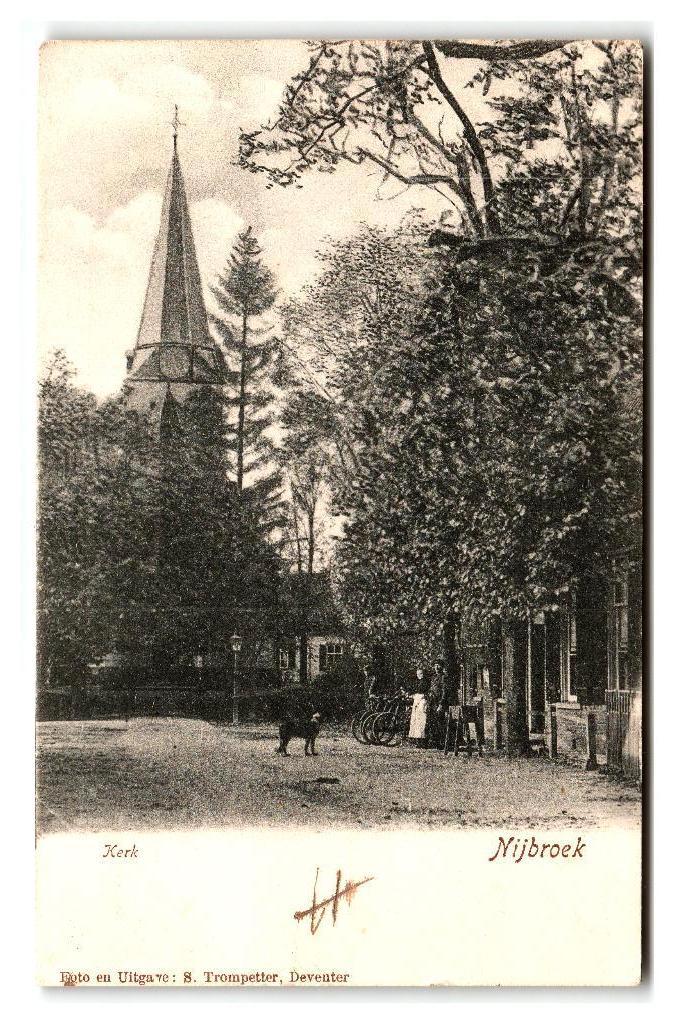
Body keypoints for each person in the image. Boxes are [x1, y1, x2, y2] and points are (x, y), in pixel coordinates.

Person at [428, 660, 449, 749]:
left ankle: (442, 743)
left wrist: (441, 704)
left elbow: (444, 692)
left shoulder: (444, 677)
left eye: (438, 665)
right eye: (435, 665)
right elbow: (431, 689)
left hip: (440, 703)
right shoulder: (433, 677)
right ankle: (435, 742)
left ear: (442, 667)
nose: (436, 667)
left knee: (440, 723)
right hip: (432, 702)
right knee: (433, 723)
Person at [407, 667, 429, 746]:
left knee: (421, 720)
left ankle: (422, 739)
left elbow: (426, 692)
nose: (419, 675)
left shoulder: (426, 682)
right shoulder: (417, 682)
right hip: (416, 700)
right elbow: (413, 691)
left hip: (423, 700)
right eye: (418, 674)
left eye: (421, 673)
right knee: (415, 719)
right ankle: (415, 739)